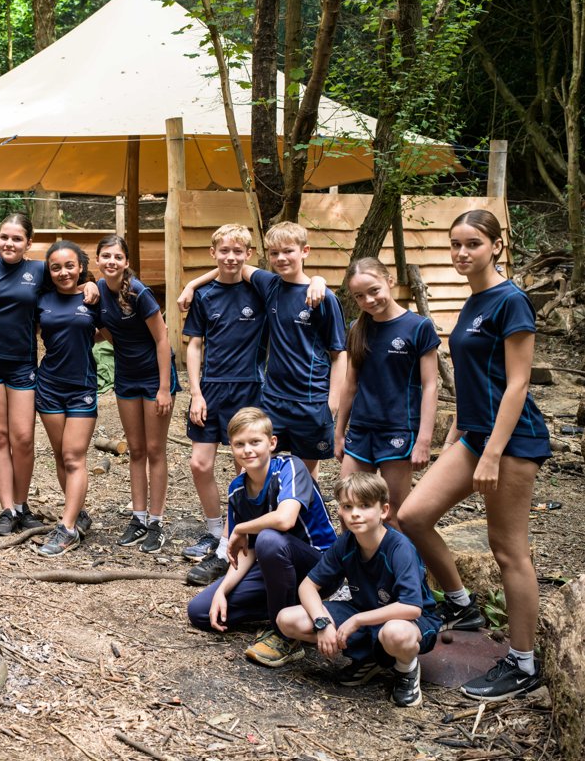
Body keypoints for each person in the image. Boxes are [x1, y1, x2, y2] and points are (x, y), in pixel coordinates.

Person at [399, 209, 551, 701]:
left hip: (512, 440)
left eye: (473, 244)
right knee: (413, 515)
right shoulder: (474, 302)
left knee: (508, 549)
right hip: (475, 436)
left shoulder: (512, 302)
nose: (462, 253)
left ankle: (523, 663)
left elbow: (517, 383)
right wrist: (460, 433)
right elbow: (472, 378)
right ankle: (463, 605)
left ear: (495, 246)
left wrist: (492, 454)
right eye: (456, 244)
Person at [0, 214, 99, 535]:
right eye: (4, 237)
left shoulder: (39, 270)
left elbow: (73, 280)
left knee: (23, 438)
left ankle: (22, 507)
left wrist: (91, 284)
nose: (9, 243)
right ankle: (7, 510)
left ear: (28, 243)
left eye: (16, 238)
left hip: (22, 363)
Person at [178, 222, 343, 477]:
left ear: (305, 251)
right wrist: (192, 285)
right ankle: (267, 516)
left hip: (312, 400)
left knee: (306, 473)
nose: (281, 258)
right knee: (262, 470)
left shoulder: (323, 298)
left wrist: (333, 403)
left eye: (288, 251)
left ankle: (302, 517)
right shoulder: (269, 285)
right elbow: (233, 265)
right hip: (273, 400)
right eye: (274, 253)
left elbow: (338, 353)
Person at [186, 407, 337, 668]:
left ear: (272, 443)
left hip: (319, 568)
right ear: (231, 448)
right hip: (274, 565)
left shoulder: (291, 467)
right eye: (239, 444)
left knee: (269, 538)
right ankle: (288, 610)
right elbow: (248, 552)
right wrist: (222, 590)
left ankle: (284, 635)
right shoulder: (237, 489)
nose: (248, 450)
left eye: (255, 442)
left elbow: (285, 519)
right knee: (201, 611)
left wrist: (241, 528)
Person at [277, 472, 442, 708]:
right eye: (348, 506)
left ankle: (406, 669)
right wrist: (323, 623)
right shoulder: (346, 542)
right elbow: (308, 586)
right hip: (364, 611)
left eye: (365, 506)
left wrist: (357, 621)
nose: (355, 513)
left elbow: (411, 607)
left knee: (395, 633)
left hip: (409, 622)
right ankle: (369, 659)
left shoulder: (399, 547)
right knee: (288, 619)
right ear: (340, 511)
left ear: (383, 510)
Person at [181, 224, 266, 586]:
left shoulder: (259, 290)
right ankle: (215, 530)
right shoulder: (205, 295)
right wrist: (196, 392)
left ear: (248, 255)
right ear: (213, 253)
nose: (230, 257)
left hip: (248, 390)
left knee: (243, 469)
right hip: (211, 390)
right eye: (223, 251)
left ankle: (236, 537)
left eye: (238, 251)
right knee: (200, 464)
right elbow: (195, 344)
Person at [333, 258, 440, 522]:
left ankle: (400, 563)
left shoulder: (418, 327)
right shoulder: (357, 329)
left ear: (389, 281)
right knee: (349, 508)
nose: (368, 300)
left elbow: (430, 386)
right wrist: (338, 431)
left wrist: (424, 439)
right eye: (359, 296)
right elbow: (350, 384)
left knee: (392, 512)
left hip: (398, 431)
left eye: (374, 290)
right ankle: (355, 564)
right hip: (360, 431)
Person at [95, 234, 179, 554]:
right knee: (136, 449)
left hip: (154, 377)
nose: (111, 262)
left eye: (117, 257)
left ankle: (156, 522)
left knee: (156, 450)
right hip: (126, 378)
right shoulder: (99, 293)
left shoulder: (139, 293)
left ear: (126, 262)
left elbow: (162, 340)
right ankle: (138, 518)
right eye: (106, 256)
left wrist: (163, 388)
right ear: (99, 260)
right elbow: (107, 334)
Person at [35, 240, 102, 556]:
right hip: (48, 385)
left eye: (70, 266)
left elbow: (114, 330)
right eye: (56, 267)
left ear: (81, 267)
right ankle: (77, 514)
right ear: (49, 271)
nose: (64, 272)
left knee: (75, 456)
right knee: (62, 454)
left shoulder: (93, 297)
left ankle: (67, 529)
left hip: (81, 388)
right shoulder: (41, 299)